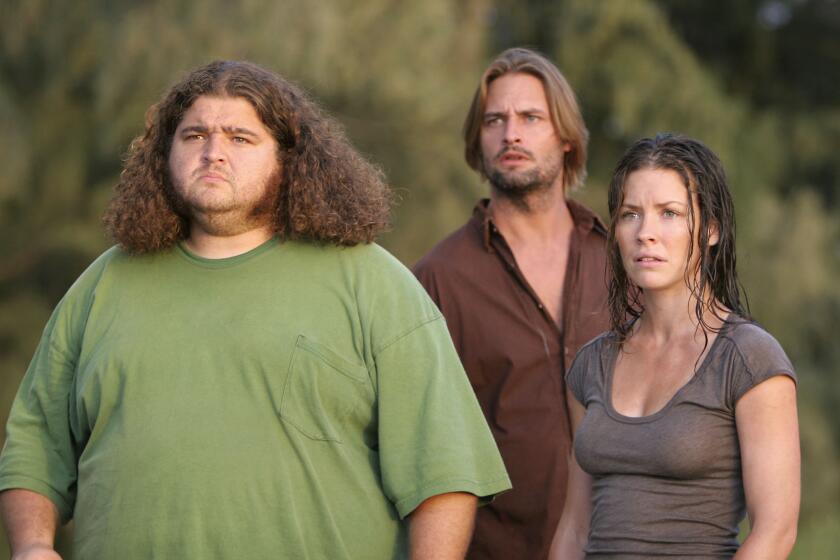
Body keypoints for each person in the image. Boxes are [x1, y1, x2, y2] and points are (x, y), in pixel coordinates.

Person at [0, 60, 511, 559]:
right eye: (194, 135)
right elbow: (34, 442)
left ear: (289, 160)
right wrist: (31, 544)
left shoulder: (371, 282)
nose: (213, 153)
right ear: (165, 153)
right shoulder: (103, 285)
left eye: (240, 138)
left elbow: (443, 471)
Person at [550, 133, 800, 559]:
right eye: (631, 215)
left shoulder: (748, 358)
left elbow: (774, 533)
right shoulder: (591, 364)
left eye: (669, 213)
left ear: (712, 230)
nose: (646, 233)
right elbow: (575, 528)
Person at [413, 47, 609, 559]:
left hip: (627, 543)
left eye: (530, 118)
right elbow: (420, 444)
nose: (511, 134)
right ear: (479, 142)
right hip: (499, 548)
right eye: (495, 121)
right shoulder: (438, 279)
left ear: (566, 137)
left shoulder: (622, 262)